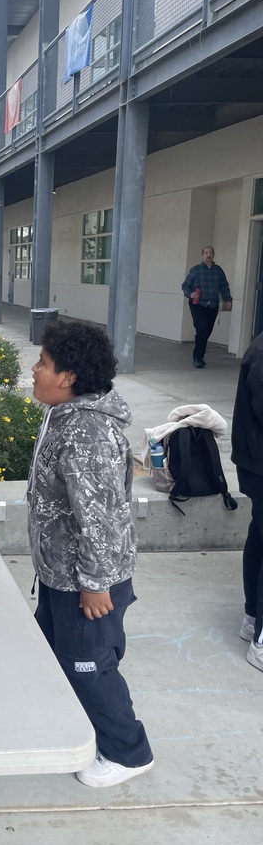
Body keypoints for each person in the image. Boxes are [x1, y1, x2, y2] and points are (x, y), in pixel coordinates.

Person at [26, 321, 154, 788]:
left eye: (43, 363)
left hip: (88, 583)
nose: (35, 370)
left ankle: (128, 752)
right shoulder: (65, 415)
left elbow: (101, 517)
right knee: (58, 655)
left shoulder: (87, 433)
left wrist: (95, 583)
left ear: (69, 377)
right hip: (62, 575)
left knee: (90, 665)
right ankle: (79, 729)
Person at [231, 331, 263, 670]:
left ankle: (253, 618)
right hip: (259, 464)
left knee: (259, 535)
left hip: (255, 462)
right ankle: (260, 638)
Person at [181, 246, 232, 368]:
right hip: (198, 304)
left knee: (207, 330)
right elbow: (185, 286)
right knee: (202, 329)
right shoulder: (195, 270)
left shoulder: (218, 271)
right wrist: (190, 294)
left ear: (213, 255)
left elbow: (224, 286)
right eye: (205, 253)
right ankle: (198, 358)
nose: (208, 255)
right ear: (202, 255)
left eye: (210, 253)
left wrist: (228, 299)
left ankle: (199, 351)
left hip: (213, 305)